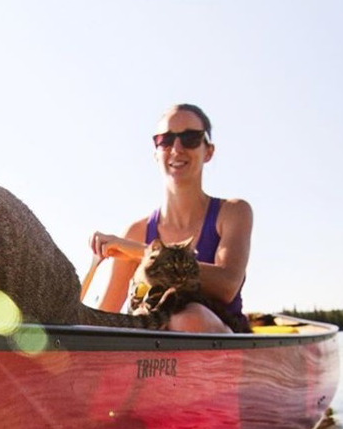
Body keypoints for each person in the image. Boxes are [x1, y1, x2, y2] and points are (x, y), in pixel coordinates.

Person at [89, 104, 252, 333]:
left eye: (190, 138)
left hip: (220, 342)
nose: (176, 148)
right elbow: (105, 315)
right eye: (165, 140)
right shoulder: (137, 230)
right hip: (155, 356)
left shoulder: (233, 212)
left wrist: (141, 252)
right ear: (156, 152)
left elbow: (227, 285)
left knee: (187, 318)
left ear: (209, 151)